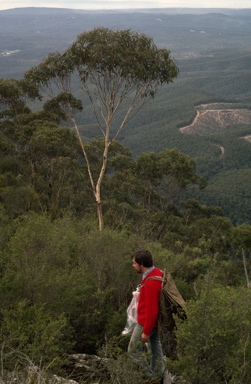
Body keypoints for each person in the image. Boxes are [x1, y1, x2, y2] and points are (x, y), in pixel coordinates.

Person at [128, 250, 164, 384]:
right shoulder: (156, 273)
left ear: (141, 264)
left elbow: (152, 309)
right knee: (155, 350)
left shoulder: (150, 283)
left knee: (133, 350)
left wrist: (146, 332)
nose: (133, 266)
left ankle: (149, 377)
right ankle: (158, 376)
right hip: (153, 322)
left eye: (134, 263)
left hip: (146, 323)